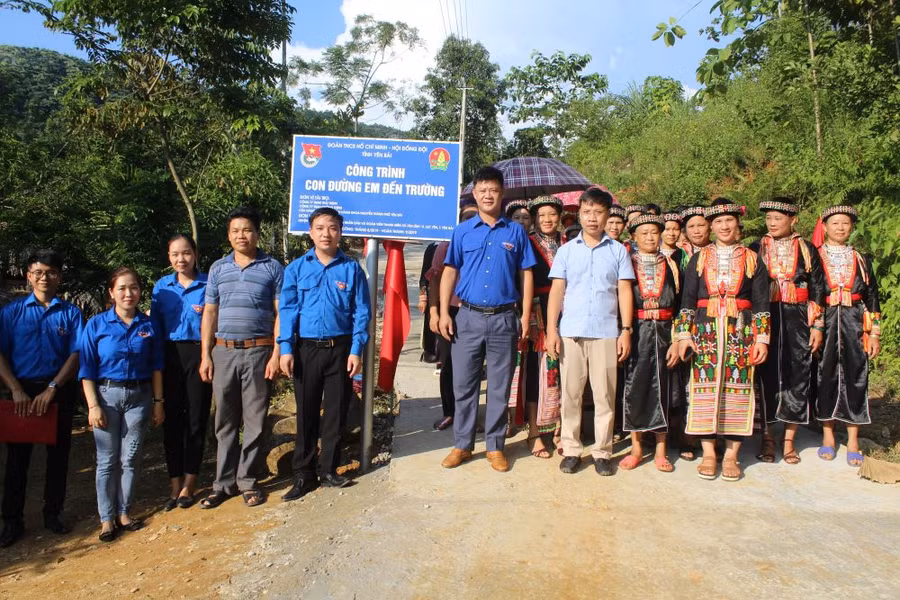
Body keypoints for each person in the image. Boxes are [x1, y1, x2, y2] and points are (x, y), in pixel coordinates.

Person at [438, 166, 536, 472]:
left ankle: (495, 446)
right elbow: (450, 271)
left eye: (493, 190)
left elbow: (527, 274)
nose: (488, 195)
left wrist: (526, 315)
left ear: (501, 193)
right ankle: (462, 445)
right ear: (475, 194)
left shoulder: (516, 232)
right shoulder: (462, 231)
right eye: (482, 190)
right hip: (467, 318)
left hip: (504, 319)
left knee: (499, 386)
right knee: (464, 385)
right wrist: (444, 312)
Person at [278, 208, 370, 500]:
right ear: (310, 232)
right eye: (319, 228)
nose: (326, 234)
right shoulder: (296, 269)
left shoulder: (352, 269)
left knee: (335, 412)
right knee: (306, 413)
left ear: (340, 232)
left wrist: (356, 350)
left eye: (332, 228)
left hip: (340, 349)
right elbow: (288, 311)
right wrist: (285, 349)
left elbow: (361, 312)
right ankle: (303, 475)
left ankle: (329, 470)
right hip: (306, 350)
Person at [675, 199, 770, 482]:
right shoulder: (700, 258)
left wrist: (762, 338)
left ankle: (730, 455)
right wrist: (684, 335)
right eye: (718, 221)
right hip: (705, 329)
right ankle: (708, 453)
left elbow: (761, 302)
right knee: (702, 388)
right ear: (711, 227)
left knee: (738, 388)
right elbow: (688, 299)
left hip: (740, 331)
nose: (724, 226)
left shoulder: (752, 259)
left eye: (729, 220)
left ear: (737, 224)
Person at [545, 188, 635, 476]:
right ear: (579, 215)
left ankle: (602, 451)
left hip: (606, 332)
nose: (592, 218)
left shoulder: (618, 251)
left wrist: (626, 329)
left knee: (604, 396)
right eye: (587, 212)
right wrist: (551, 330)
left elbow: (624, 291)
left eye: (598, 212)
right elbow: (557, 291)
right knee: (571, 395)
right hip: (571, 332)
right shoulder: (567, 251)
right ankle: (572, 449)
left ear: (607, 215)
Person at [199, 206, 284, 509]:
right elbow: (210, 313)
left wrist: (276, 354)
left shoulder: (272, 268)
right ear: (228, 235)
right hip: (223, 352)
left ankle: (247, 481)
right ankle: (222, 484)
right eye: (235, 231)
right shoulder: (217, 268)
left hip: (259, 351)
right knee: (224, 421)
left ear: (257, 234)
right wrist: (206, 355)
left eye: (247, 230)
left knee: (255, 420)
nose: (241, 235)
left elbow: (281, 313)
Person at [0, 250, 83, 547]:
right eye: (38, 272)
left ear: (59, 276)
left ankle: (53, 513)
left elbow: (76, 353)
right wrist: (15, 389)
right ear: (28, 276)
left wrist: (53, 388)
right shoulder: (12, 312)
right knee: (17, 460)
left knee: (58, 457)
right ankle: (12, 521)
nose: (44, 277)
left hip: (58, 390)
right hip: (22, 391)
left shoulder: (71, 313)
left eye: (50, 272)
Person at [80, 267, 165, 542]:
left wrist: (158, 402)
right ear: (111, 292)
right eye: (122, 288)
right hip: (106, 397)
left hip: (140, 397)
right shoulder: (96, 325)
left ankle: (124, 512)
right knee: (107, 460)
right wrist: (93, 406)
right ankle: (106, 519)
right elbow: (86, 369)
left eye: (134, 288)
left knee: (130, 458)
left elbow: (157, 367)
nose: (129, 293)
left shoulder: (149, 325)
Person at [749, 199, 824, 464]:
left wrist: (817, 326)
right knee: (764, 374)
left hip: (798, 318)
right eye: (768, 218)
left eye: (778, 218)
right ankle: (767, 438)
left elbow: (818, 287)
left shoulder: (807, 249)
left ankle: (789, 440)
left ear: (793, 220)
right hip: (765, 316)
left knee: (798, 374)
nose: (772, 223)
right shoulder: (756, 248)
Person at [150, 234, 213, 510]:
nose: (181, 259)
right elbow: (155, 329)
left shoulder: (209, 283)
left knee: (196, 420)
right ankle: (174, 484)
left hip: (199, 355)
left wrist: (207, 356)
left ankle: (190, 482)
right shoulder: (162, 287)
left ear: (195, 253)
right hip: (169, 356)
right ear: (169, 257)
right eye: (175, 254)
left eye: (186, 253)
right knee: (172, 422)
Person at [815, 205, 880, 466]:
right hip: (826, 320)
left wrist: (874, 333)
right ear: (825, 227)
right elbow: (813, 294)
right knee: (824, 375)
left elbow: (872, 296)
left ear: (852, 227)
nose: (840, 228)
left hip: (855, 321)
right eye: (835, 223)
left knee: (856, 375)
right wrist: (815, 327)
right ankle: (828, 435)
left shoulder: (861, 259)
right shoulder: (815, 256)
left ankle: (853, 439)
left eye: (845, 223)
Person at [620, 215, 680, 473]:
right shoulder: (626, 264)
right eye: (643, 233)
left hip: (665, 333)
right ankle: (635, 448)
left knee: (663, 389)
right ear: (634, 237)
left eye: (654, 232)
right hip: (637, 332)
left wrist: (677, 339)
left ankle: (661, 450)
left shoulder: (672, 265)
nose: (650, 237)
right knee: (635, 389)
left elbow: (680, 306)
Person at [512, 196, 564, 459]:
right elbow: (520, 280)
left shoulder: (569, 243)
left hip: (568, 312)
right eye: (541, 215)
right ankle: (534, 431)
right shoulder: (527, 243)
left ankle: (561, 429)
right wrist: (527, 315)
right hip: (537, 313)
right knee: (536, 372)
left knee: (565, 373)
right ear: (534, 219)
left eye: (552, 214)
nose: (547, 219)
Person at [427, 203, 479, 431]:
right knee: (448, 363)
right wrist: (435, 312)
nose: (472, 220)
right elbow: (435, 281)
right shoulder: (446, 246)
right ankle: (449, 412)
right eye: (467, 217)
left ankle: (470, 416)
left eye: (476, 216)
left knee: (473, 367)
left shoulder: (486, 244)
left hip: (477, 311)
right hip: (451, 311)